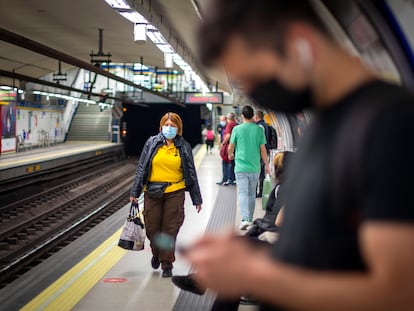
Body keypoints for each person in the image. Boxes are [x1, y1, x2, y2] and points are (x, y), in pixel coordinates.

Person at [185, 1, 414, 310]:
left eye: (255, 77)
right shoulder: (323, 125)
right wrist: (245, 258)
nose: (255, 94)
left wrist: (257, 274)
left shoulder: (391, 126)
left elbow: (399, 292)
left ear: (299, 43)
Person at [130, 112, 202, 278]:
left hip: (175, 192)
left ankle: (167, 263)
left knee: (170, 229)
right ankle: (156, 252)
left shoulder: (183, 147)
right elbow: (142, 167)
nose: (169, 128)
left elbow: (191, 173)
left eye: (173, 126)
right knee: (152, 228)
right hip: (152, 192)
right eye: (166, 125)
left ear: (179, 128)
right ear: (161, 127)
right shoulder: (152, 143)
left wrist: (196, 198)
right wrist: (135, 192)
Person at [228, 105, 270, 230]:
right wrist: (267, 165)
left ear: (242, 116)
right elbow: (263, 150)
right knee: (251, 194)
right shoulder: (259, 130)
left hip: (240, 167)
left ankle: (245, 219)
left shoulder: (237, 129)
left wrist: (230, 154)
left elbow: (231, 146)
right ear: (253, 116)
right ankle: (249, 219)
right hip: (255, 167)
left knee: (242, 193)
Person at [217, 112, 237, 186]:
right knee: (231, 163)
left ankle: (226, 179)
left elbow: (228, 135)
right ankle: (231, 179)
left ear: (227, 118)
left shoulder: (229, 124)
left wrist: (223, 143)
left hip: (228, 146)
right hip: (234, 146)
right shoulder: (235, 124)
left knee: (226, 163)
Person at [254, 110, 270, 198]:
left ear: (256, 117)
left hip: (260, 152)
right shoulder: (265, 125)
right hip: (264, 151)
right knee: (261, 172)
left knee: (258, 172)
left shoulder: (259, 127)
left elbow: (258, 141)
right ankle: (260, 190)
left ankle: (259, 191)